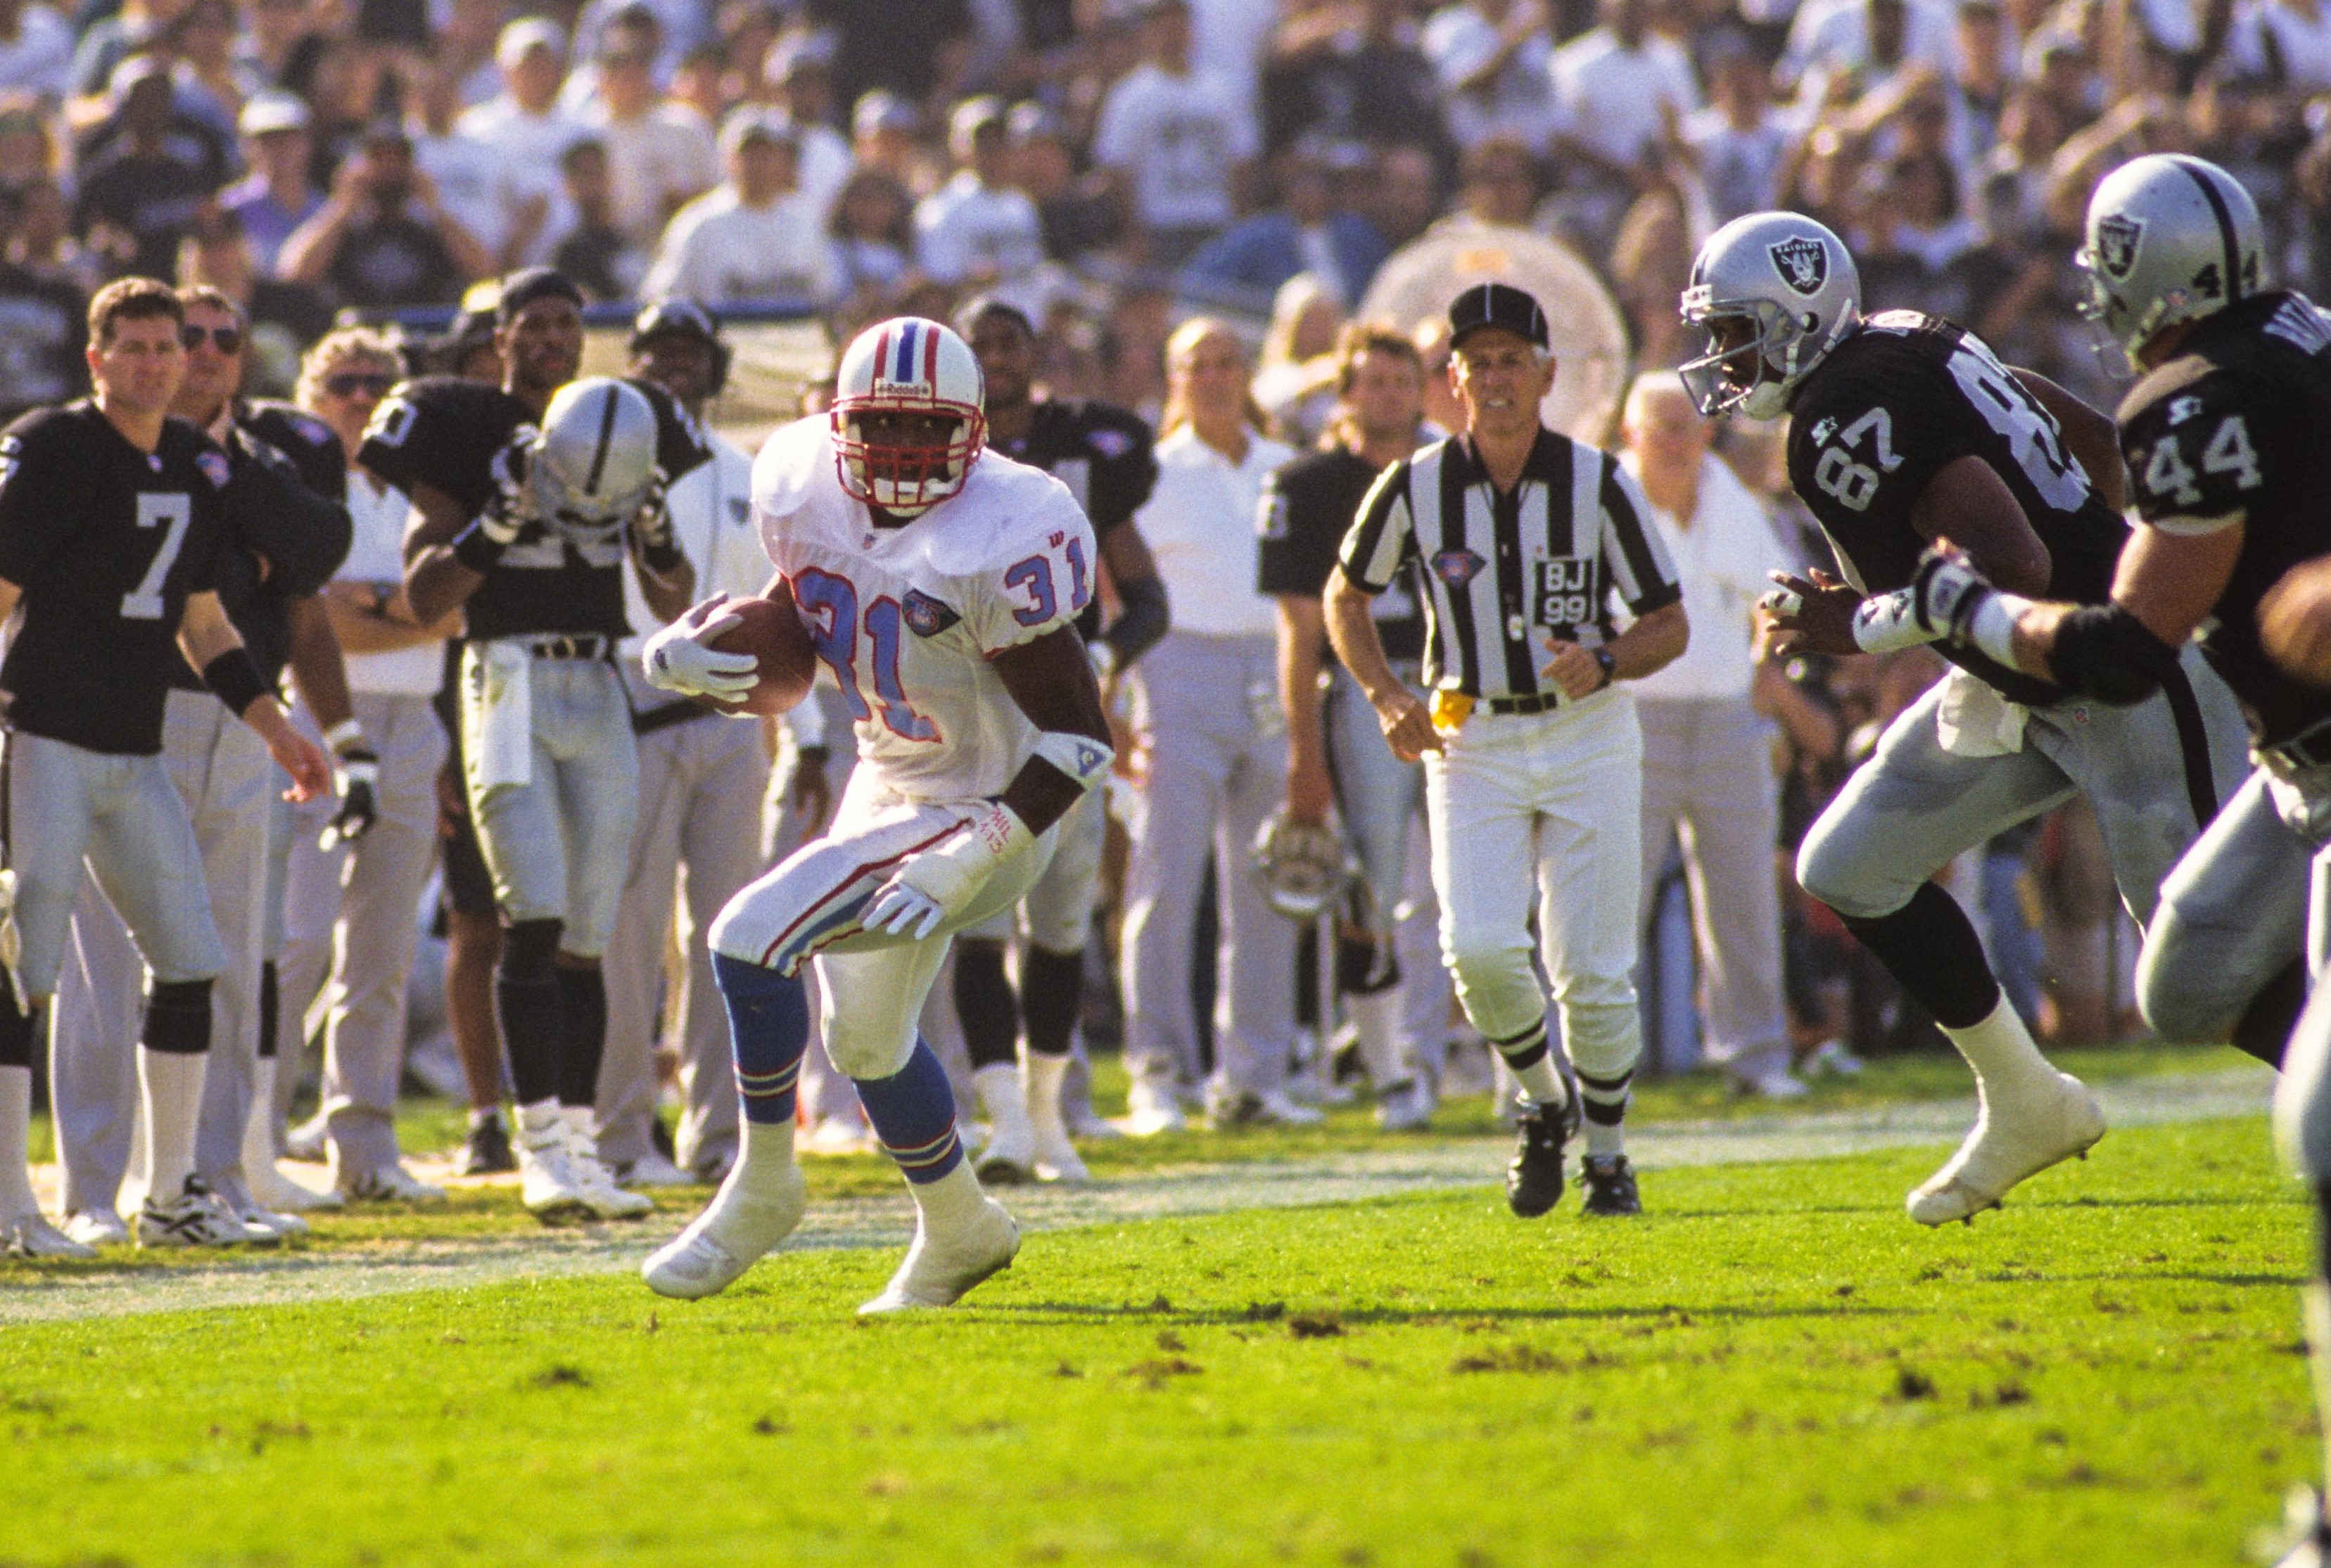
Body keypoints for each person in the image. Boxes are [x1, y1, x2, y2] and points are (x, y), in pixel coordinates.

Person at [1677, 210, 2251, 1225]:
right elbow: (2088, 440)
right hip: (2017, 674)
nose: (1723, 361)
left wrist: (1853, 625)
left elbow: (2012, 567)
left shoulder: (1835, 417)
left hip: (2113, 668)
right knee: (1847, 866)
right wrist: (2092, 538)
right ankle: (2026, 1099)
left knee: (2198, 964)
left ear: (1795, 320)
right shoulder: (1906, 330)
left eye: (1735, 332)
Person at [636, 314, 1112, 1313]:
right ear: (838, 422)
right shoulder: (802, 479)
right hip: (888, 778)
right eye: (880, 429)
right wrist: (704, 653)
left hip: (995, 804)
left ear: (974, 432)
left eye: (925, 432)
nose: (900, 455)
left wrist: (982, 842)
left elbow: (1081, 742)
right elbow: (803, 633)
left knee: (747, 936)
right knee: (865, 1047)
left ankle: (764, 1185)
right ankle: (962, 1227)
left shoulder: (1007, 525)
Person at [1329, 283, 1689, 1219]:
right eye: (1477, 362)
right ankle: (1542, 1098)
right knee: (1478, 949)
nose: (1495, 378)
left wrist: (1605, 657)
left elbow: (1670, 622)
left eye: (1511, 361)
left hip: (1587, 732)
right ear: (1451, 379)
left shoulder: (1599, 480)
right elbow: (1344, 594)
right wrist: (1383, 693)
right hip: (1471, 729)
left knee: (1593, 971)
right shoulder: (1412, 483)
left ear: (1547, 375)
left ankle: (1607, 1157)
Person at [0, 278, 329, 1256]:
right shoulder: (54, 447)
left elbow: (204, 623)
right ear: (95, 359)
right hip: (49, 740)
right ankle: (15, 1205)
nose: (152, 362)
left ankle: (173, 1193)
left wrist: (276, 727)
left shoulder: (193, 461)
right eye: (131, 347)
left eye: (165, 346)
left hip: (133, 747)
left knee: (191, 959)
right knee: (26, 970)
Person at [376, 267, 709, 1221]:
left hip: (601, 676)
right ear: (502, 334)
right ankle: (541, 1150)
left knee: (590, 931)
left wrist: (650, 529)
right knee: (533, 910)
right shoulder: (461, 422)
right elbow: (424, 595)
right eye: (535, 324)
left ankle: (586, 1147)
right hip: (509, 679)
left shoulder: (622, 418)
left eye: (568, 323)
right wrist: (498, 522)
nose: (553, 338)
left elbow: (674, 599)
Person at [952, 295, 1167, 1180]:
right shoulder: (943, 460)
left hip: (1064, 712)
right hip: (974, 707)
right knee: (978, 916)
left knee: (1061, 919)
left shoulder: (1080, 453)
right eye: (983, 346)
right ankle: (1004, 1119)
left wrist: (1106, 657)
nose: (997, 359)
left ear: (1035, 351)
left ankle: (1047, 1117)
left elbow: (1145, 596)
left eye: (1010, 342)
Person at [597, 299, 769, 1187]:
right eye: (657, 351)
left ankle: (723, 1140)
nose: (673, 365)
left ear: (714, 363)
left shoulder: (746, 469)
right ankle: (622, 1138)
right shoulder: (606, 464)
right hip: (632, 700)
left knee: (729, 930)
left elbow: (780, 605)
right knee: (628, 933)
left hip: (734, 709)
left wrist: (808, 732)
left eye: (688, 352)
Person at [1119, 319, 1307, 1134]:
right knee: (1166, 877)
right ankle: (1155, 1072)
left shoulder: (1283, 470)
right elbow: (1119, 595)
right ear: (1173, 378)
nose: (1215, 378)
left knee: (1266, 879)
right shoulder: (1150, 474)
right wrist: (1121, 700)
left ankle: (1254, 1077)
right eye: (1197, 366)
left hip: (1273, 667)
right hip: (1176, 669)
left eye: (1229, 363)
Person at [1262, 322, 1441, 1130]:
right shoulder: (1305, 484)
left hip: (1459, 687)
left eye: (1401, 381)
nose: (1388, 396)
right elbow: (1300, 633)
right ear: (1344, 393)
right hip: (1367, 694)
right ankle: (1390, 1073)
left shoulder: (1453, 475)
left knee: (1470, 885)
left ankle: (1451, 1062)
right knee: (1372, 888)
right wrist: (1306, 751)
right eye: (1371, 381)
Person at [300, 326, 462, 1200]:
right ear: (314, 395)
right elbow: (314, 626)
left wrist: (368, 604)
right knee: (293, 939)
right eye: (344, 384)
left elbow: (459, 616)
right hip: (318, 718)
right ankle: (229, 1147)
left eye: (376, 384)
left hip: (416, 719)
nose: (361, 398)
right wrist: (403, 606)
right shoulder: (299, 480)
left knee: (383, 948)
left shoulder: (427, 492)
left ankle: (362, 1151)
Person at [1617, 371, 1803, 1098]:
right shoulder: (1609, 499)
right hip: (1629, 720)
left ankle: (1757, 1059)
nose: (1673, 440)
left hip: (1726, 719)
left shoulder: (1730, 497)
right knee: (1609, 902)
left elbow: (1774, 596)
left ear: (1706, 432)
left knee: (1744, 896)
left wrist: (1765, 666)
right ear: (1629, 434)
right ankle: (1595, 1070)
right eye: (1658, 426)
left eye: (1685, 425)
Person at [642, 113, 841, 306]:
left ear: (781, 161)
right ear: (728, 160)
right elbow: (660, 298)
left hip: (794, 337)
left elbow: (831, 293)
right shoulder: (698, 224)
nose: (757, 164)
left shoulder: (806, 220)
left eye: (766, 155)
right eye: (748, 155)